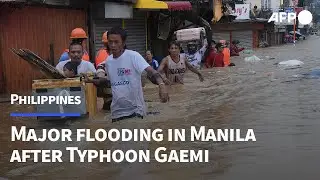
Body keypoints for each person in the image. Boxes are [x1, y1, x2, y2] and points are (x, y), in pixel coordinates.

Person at [82, 27, 169, 122]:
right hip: (116, 112)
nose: (113, 45)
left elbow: (153, 72)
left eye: (116, 42)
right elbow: (110, 82)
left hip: (136, 111)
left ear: (123, 43)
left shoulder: (133, 56)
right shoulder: (108, 61)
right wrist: (91, 81)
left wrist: (162, 86)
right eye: (110, 42)